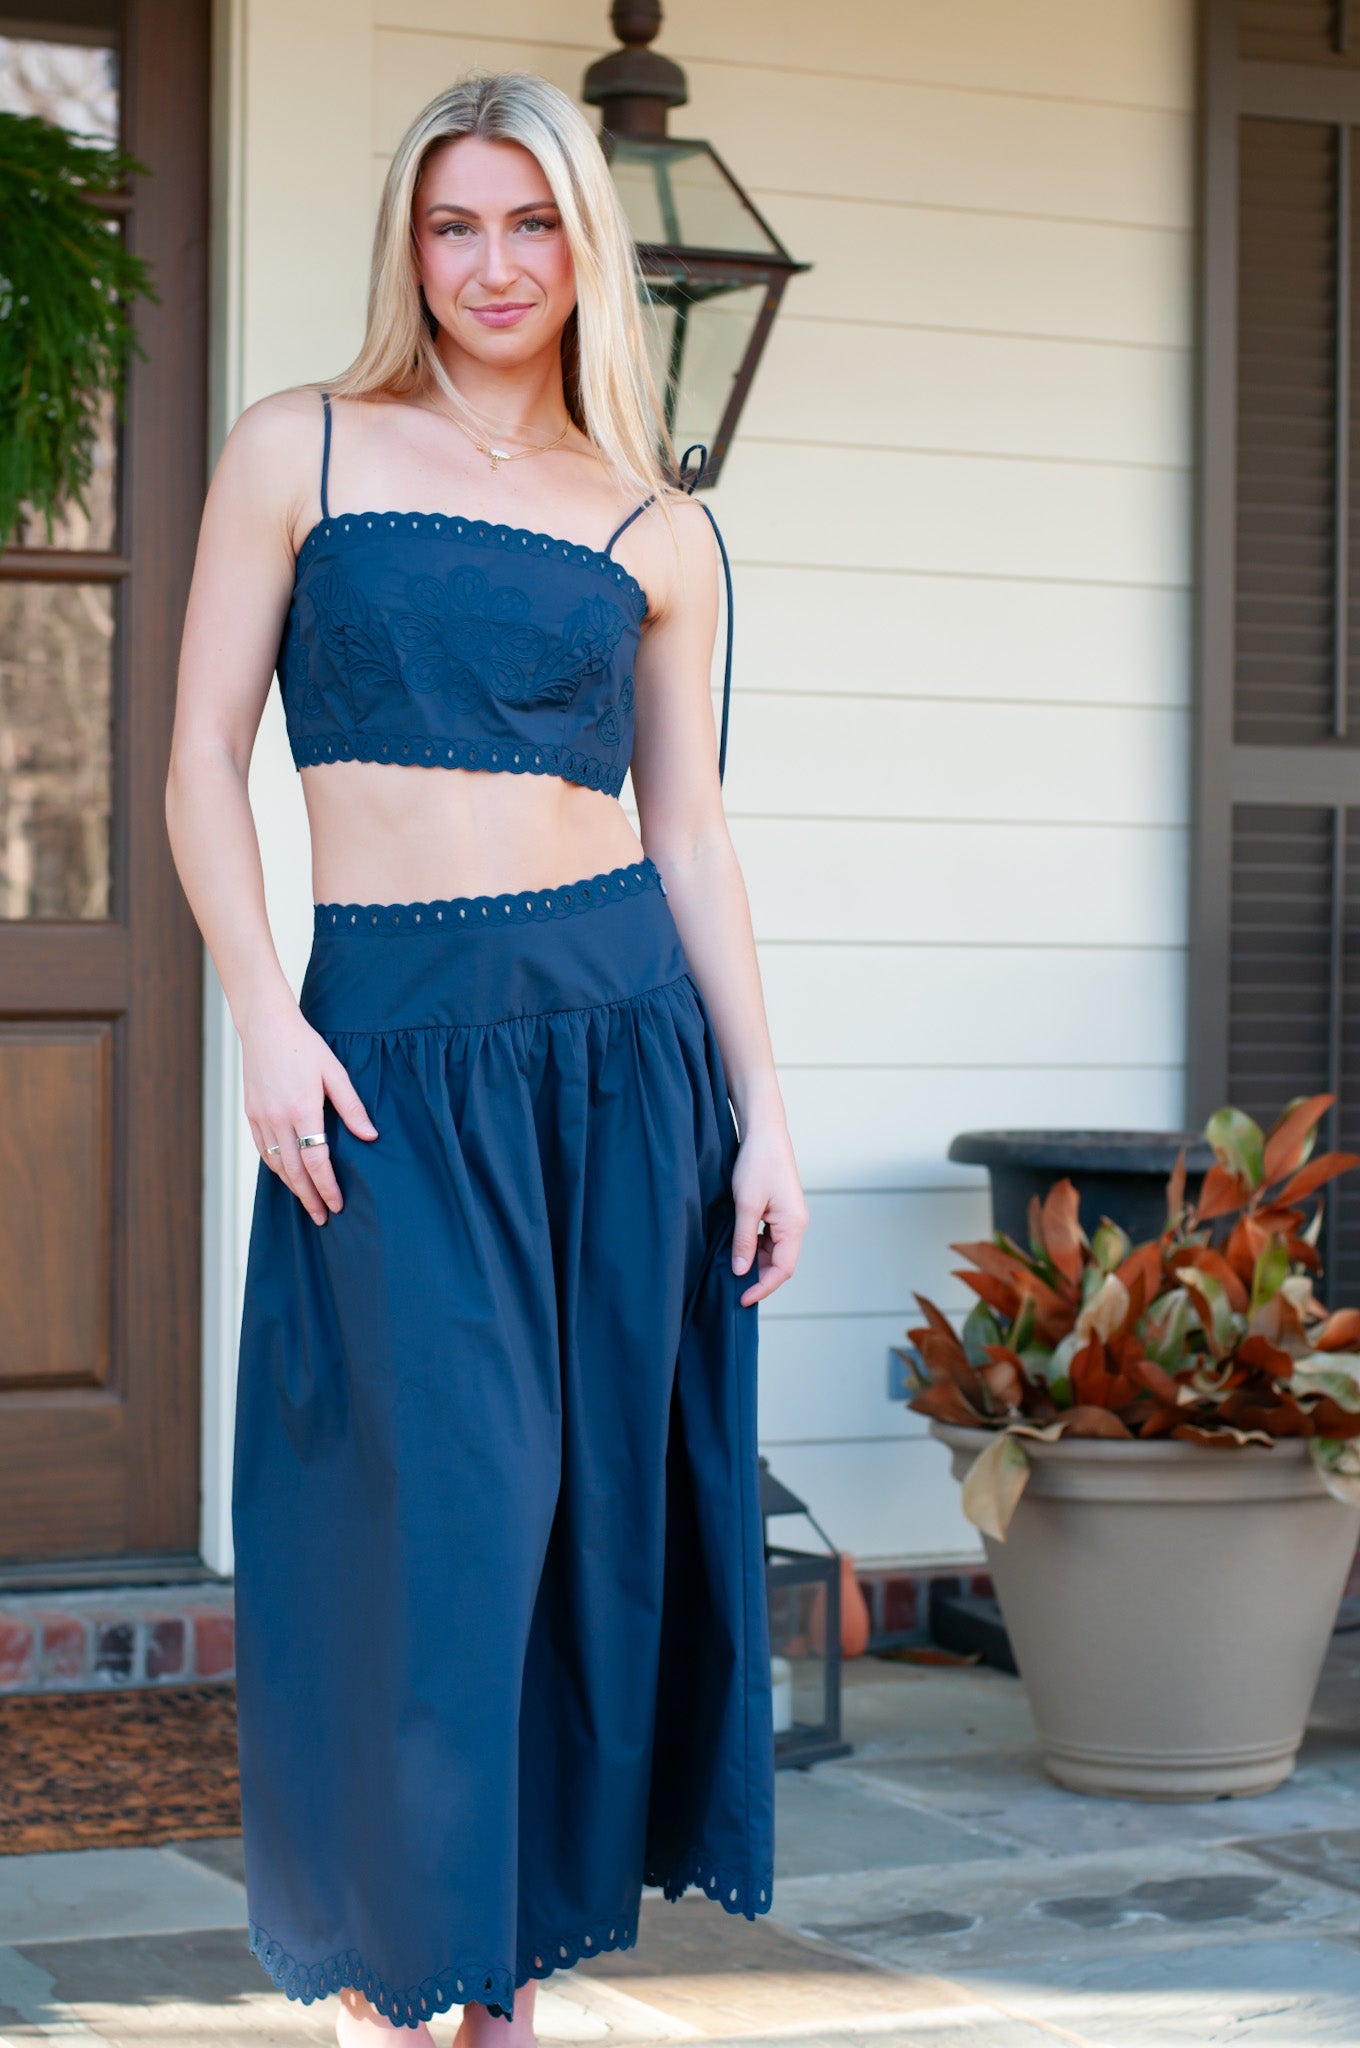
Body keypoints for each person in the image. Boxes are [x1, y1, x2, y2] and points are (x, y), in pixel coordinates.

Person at [165, 69, 807, 2048]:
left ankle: (493, 1979)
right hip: (385, 1050)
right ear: (408, 244)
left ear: (580, 253)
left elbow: (689, 834)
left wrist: (763, 1109)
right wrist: (262, 1012)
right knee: (432, 1504)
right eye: (455, 223)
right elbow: (197, 758)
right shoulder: (305, 450)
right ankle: (394, 1965)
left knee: (568, 1515)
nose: (493, 263)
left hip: (615, 1059)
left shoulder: (656, 523)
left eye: (530, 223)